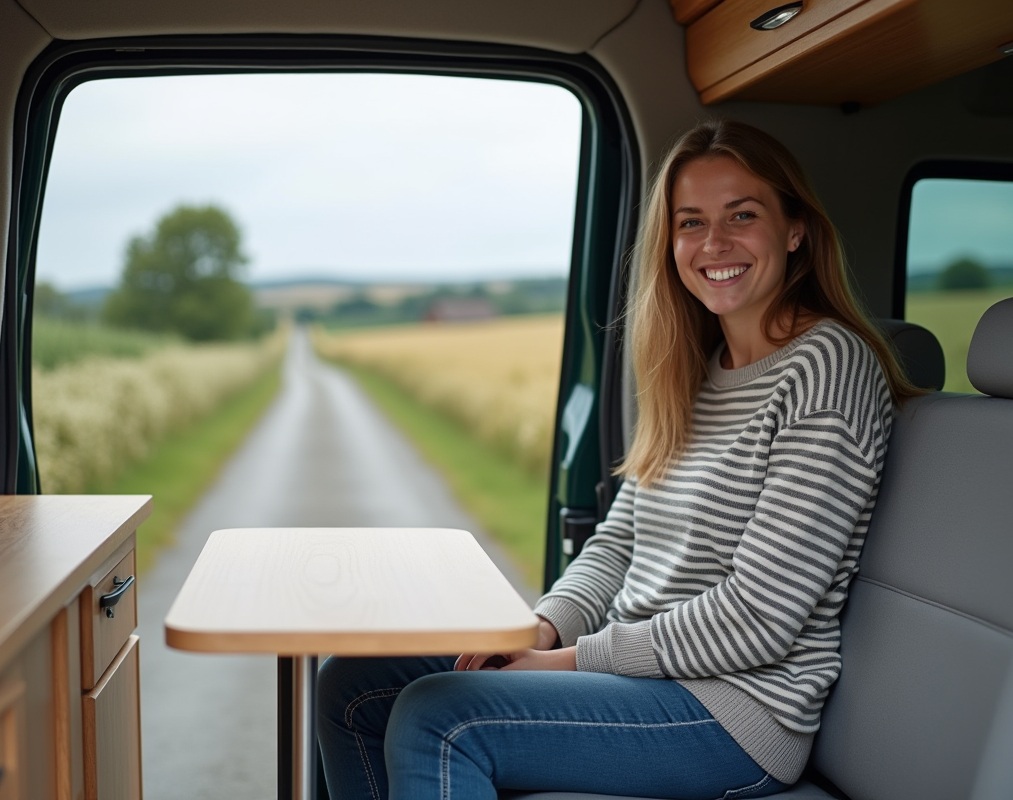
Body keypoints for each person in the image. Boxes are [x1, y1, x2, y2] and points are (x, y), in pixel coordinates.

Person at [317, 119, 918, 800]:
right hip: (642, 677)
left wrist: (565, 663)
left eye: (741, 215)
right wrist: (541, 628)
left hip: (736, 713)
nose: (714, 243)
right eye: (690, 223)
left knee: (442, 718)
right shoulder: (693, 368)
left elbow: (759, 618)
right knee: (351, 682)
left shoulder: (827, 367)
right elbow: (620, 542)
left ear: (794, 230)